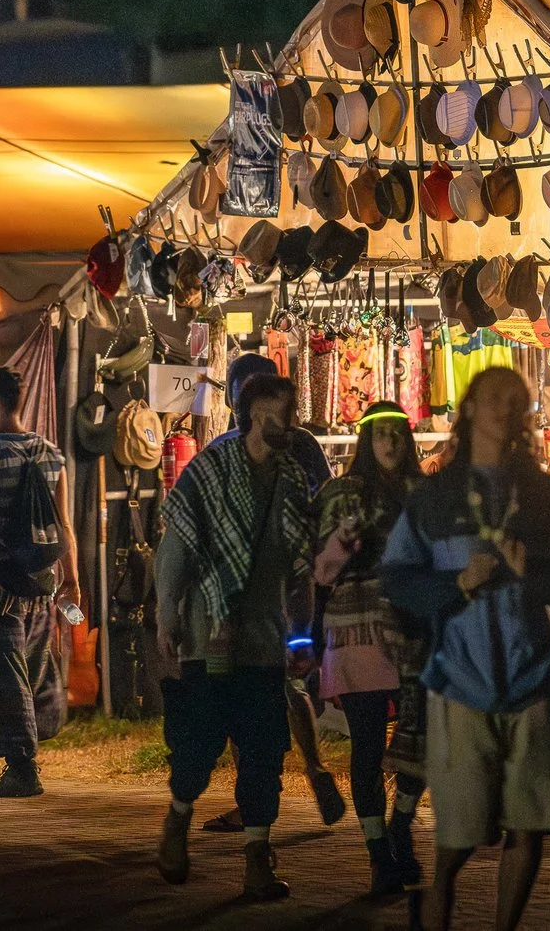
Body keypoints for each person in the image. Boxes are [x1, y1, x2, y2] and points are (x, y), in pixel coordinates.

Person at [379, 366, 550, 931]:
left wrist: (539, 571)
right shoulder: (434, 496)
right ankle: (437, 895)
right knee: (462, 827)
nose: (505, 409)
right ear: (470, 407)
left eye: (516, 402)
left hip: (531, 674)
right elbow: (398, 578)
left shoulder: (542, 495)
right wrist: (454, 585)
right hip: (460, 677)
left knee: (530, 823)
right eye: (495, 398)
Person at [153, 372, 318, 900]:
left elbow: (300, 563)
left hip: (265, 641)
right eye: (275, 413)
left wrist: (303, 632)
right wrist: (167, 615)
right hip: (210, 635)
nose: (284, 423)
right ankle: (178, 819)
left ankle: (256, 861)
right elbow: (176, 546)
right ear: (251, 415)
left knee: (265, 749)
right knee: (199, 747)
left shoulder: (292, 477)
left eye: (288, 413)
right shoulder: (209, 469)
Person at [204, 352, 345, 834]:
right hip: (295, 581)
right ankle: (313, 765)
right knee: (290, 681)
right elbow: (326, 500)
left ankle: (255, 799)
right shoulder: (300, 442)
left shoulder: (225, 446)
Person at [311, 399, 429, 895]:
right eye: (380, 434)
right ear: (366, 439)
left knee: (423, 737)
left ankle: (402, 824)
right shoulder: (344, 495)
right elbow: (319, 571)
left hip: (415, 630)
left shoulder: (423, 494)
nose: (389, 443)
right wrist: (341, 541)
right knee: (365, 744)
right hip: (358, 627)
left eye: (397, 434)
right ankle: (379, 852)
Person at [0, 365, 79, 799]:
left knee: (6, 676)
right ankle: (30, 753)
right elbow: (65, 527)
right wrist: (72, 582)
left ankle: (22, 768)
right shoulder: (51, 454)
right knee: (30, 671)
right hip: (41, 585)